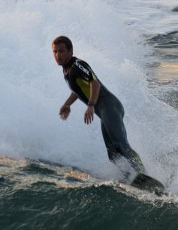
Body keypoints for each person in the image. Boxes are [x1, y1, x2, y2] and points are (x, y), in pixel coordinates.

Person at [52, 35, 145, 178]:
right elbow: (77, 90)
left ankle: (143, 174)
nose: (58, 55)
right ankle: (129, 177)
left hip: (109, 106)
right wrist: (67, 104)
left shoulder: (78, 65)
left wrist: (91, 105)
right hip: (103, 111)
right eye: (55, 52)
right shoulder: (66, 70)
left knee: (122, 145)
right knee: (113, 153)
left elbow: (94, 83)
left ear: (70, 51)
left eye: (61, 51)